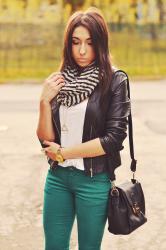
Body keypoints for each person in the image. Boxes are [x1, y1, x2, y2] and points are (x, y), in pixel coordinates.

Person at [36, 7, 131, 250]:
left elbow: (113, 139)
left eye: (90, 43)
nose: (81, 50)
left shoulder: (115, 81)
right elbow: (46, 142)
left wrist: (63, 153)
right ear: (67, 44)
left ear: (101, 43)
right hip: (57, 179)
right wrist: (44, 102)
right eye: (75, 42)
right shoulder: (59, 81)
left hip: (93, 180)